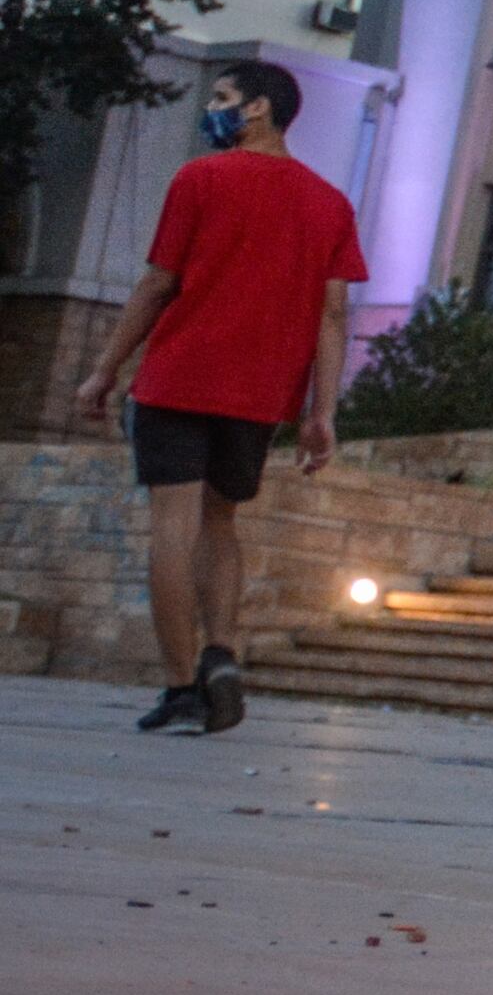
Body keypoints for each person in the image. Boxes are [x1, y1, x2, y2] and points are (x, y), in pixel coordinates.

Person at [70, 60, 367, 735]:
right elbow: (333, 315)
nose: (215, 108)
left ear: (258, 108)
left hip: (180, 376)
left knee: (173, 525)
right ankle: (221, 651)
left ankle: (181, 686)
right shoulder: (329, 203)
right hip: (261, 393)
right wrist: (323, 412)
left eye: (224, 98)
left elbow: (155, 283)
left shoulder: (200, 178)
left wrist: (103, 370)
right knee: (221, 521)